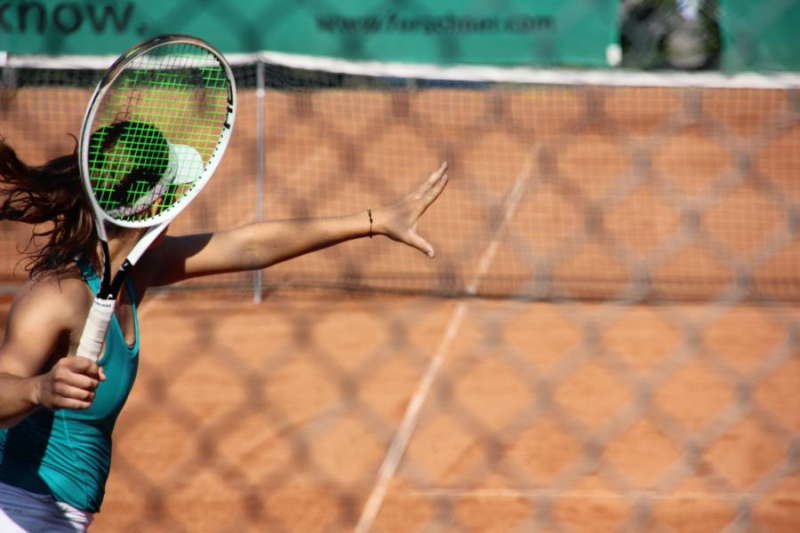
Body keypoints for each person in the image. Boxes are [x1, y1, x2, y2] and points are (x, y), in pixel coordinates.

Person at [0, 133, 449, 532]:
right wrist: (39, 389)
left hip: (58, 514)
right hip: (16, 508)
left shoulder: (136, 273)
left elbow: (247, 245)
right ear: (156, 208)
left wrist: (373, 221)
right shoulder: (59, 296)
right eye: (177, 192)